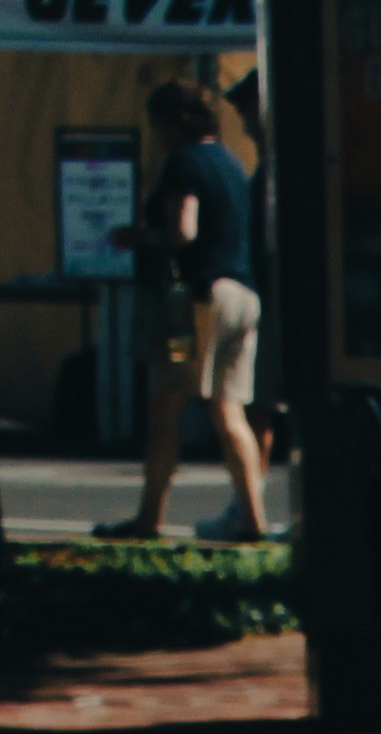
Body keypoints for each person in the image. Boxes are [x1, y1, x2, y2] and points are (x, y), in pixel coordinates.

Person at [106, 74, 267, 545]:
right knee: (229, 411)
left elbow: (183, 230)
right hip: (244, 294)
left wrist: (135, 237)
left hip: (199, 297)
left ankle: (148, 520)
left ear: (173, 122)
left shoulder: (183, 164)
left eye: (158, 124)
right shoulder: (234, 165)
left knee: (164, 412)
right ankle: (253, 521)